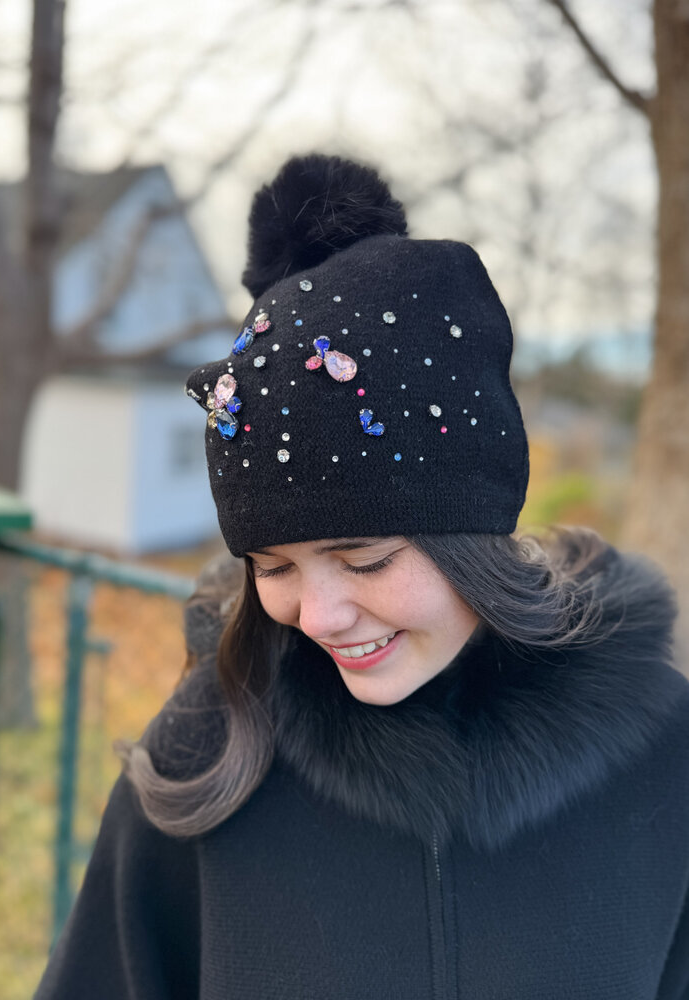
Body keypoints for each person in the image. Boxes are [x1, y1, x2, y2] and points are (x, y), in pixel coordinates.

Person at [34, 154, 689, 1000]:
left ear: (474, 536)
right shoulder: (210, 752)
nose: (319, 615)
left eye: (365, 559)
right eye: (273, 567)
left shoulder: (662, 756)